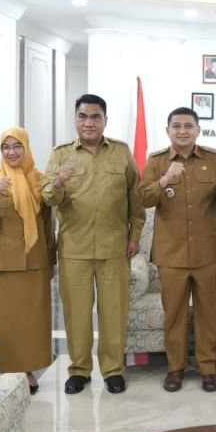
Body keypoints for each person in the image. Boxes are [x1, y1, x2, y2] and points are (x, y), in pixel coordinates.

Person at [43, 94, 144, 395]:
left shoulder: (121, 152)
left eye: (95, 117)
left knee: (114, 312)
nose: (89, 123)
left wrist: (134, 236)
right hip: (75, 249)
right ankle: (79, 369)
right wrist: (59, 181)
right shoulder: (61, 154)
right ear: (75, 120)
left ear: (105, 120)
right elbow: (48, 198)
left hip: (115, 248)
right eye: (83, 116)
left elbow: (136, 200)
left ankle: (113, 370)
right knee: (77, 314)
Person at [139, 107, 216, 393]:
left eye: (188, 126)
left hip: (208, 251)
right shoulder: (156, 161)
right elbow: (143, 198)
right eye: (176, 126)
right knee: (174, 315)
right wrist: (165, 179)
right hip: (172, 253)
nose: (182, 131)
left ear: (198, 130)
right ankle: (175, 368)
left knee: (209, 313)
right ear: (167, 131)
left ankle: (209, 369)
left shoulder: (213, 160)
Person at [0, 127, 55, 395]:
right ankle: (5, 369)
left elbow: (47, 223)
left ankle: (28, 370)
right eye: (6, 147)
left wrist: (51, 259)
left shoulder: (39, 179)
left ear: (26, 148)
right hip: (1, 262)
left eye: (17, 146)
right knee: (4, 321)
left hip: (34, 261)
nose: (11, 152)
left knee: (31, 321)